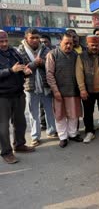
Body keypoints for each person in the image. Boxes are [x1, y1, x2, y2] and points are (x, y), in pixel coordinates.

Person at [17, 28, 57, 147]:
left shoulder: (46, 49)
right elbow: (21, 69)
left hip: (46, 85)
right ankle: (35, 136)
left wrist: (42, 63)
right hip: (30, 86)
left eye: (36, 38)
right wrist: (35, 63)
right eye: (32, 38)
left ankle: (51, 131)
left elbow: (51, 65)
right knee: (33, 113)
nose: (35, 40)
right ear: (26, 39)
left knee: (50, 110)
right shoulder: (20, 51)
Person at [0, 30, 34, 164]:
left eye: (5, 41)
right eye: (1, 41)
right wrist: (10, 70)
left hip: (19, 93)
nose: (4, 44)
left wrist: (26, 71)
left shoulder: (14, 52)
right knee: (3, 126)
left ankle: (19, 145)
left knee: (20, 122)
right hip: (2, 96)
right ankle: (6, 152)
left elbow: (22, 66)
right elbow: (12, 70)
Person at [46, 33, 83, 148]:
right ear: (60, 42)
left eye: (71, 44)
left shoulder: (76, 55)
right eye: (66, 43)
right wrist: (55, 90)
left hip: (73, 90)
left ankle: (72, 134)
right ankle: (63, 137)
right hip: (59, 91)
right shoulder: (52, 54)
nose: (68, 46)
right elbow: (49, 74)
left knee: (73, 114)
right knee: (60, 115)